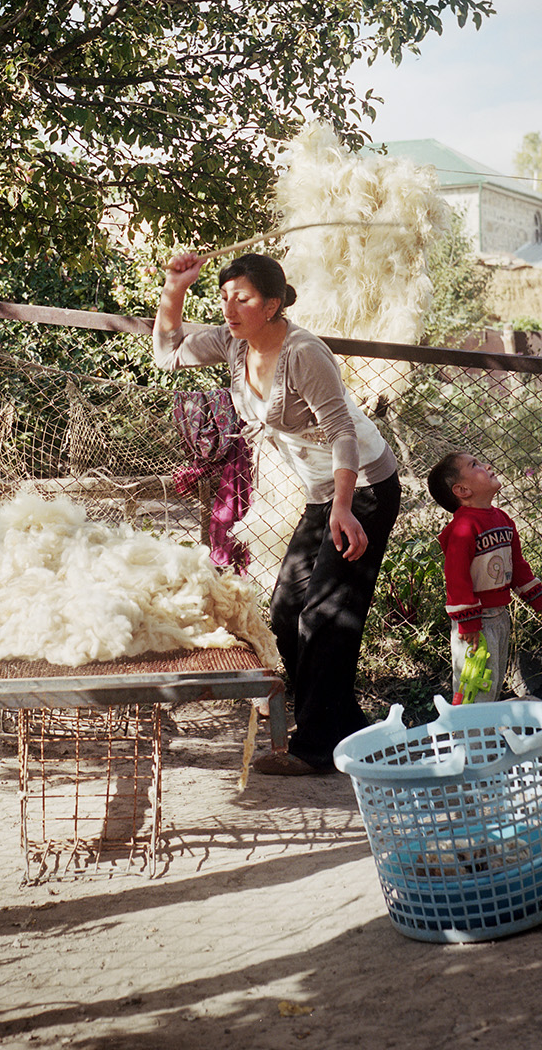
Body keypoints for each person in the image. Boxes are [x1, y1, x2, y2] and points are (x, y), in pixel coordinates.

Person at [154, 250, 401, 775]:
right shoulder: (231, 342)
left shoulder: (304, 353)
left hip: (364, 490)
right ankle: (341, 725)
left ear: (271, 304)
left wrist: (343, 507)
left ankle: (316, 748)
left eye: (241, 298)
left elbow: (341, 433)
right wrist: (175, 287)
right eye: (223, 298)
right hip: (326, 494)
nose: (229, 308)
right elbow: (166, 353)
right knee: (287, 611)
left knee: (325, 616)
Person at [427, 450, 542, 704]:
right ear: (462, 490)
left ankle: (484, 735)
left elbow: (517, 567)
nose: (486, 465)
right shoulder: (463, 528)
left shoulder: (503, 520)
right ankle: (466, 739)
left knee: (492, 683)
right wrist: (469, 622)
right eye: (475, 465)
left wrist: (541, 603)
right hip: (475, 623)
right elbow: (456, 577)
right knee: (474, 685)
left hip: (499, 617)